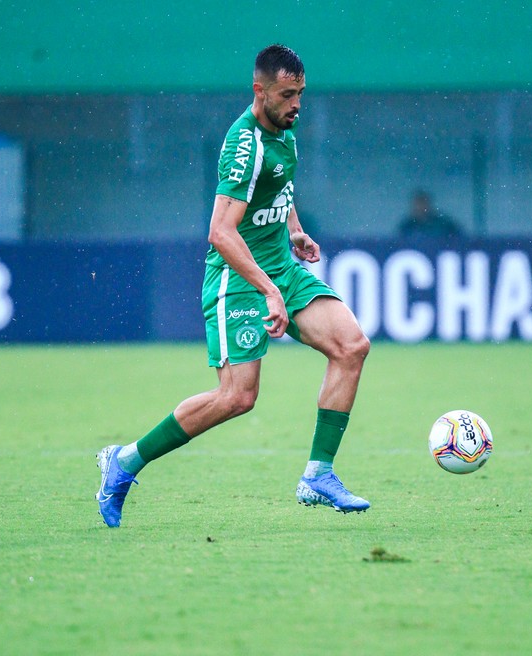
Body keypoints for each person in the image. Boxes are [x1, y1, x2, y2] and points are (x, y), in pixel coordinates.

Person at [96, 44, 372, 527]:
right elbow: (221, 233)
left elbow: (279, 187)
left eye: (301, 94)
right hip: (237, 280)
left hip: (280, 267)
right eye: (287, 95)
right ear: (259, 91)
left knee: (352, 346)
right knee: (237, 398)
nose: (297, 105)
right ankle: (124, 462)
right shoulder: (244, 146)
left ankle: (317, 475)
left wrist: (294, 230)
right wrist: (268, 290)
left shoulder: (284, 129)